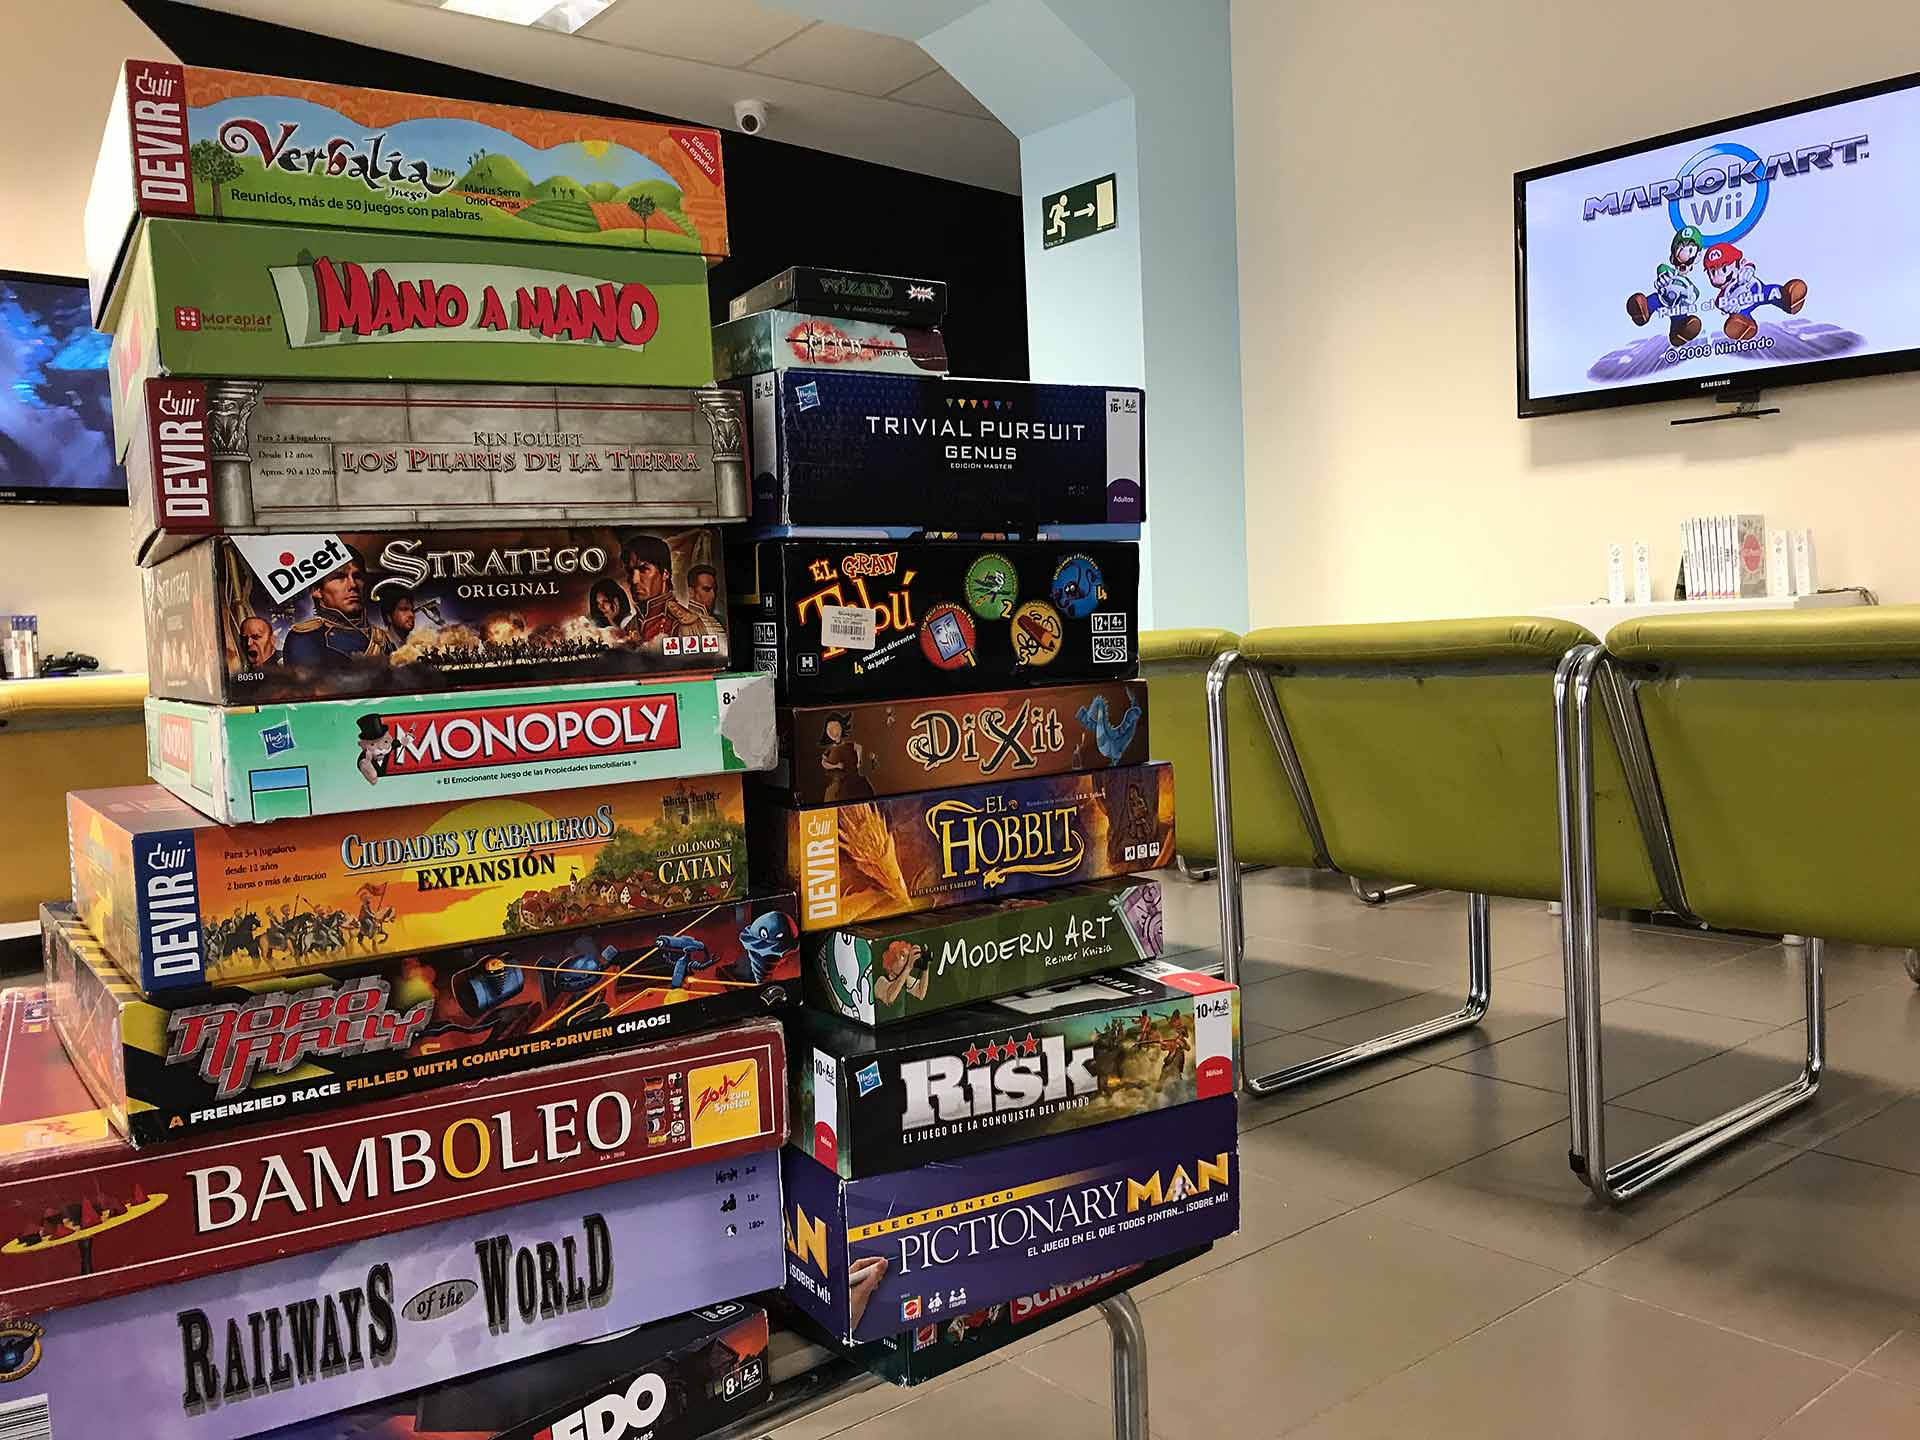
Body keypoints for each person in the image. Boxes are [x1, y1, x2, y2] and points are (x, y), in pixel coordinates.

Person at [281, 548, 393, 672]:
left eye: (357, 576)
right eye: (340, 577)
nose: (353, 585)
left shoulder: (381, 638)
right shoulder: (304, 637)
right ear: (317, 590)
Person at [618, 534, 716, 649]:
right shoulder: (631, 626)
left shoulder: (685, 624)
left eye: (644, 569)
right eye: (630, 571)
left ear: (665, 573)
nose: (634, 580)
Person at [818, 712, 874, 801]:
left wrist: (859, 760)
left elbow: (859, 747)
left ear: (842, 727)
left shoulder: (849, 745)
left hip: (855, 781)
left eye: (836, 728)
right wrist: (835, 766)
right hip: (838, 785)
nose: (834, 732)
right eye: (830, 729)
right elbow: (824, 763)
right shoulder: (830, 750)